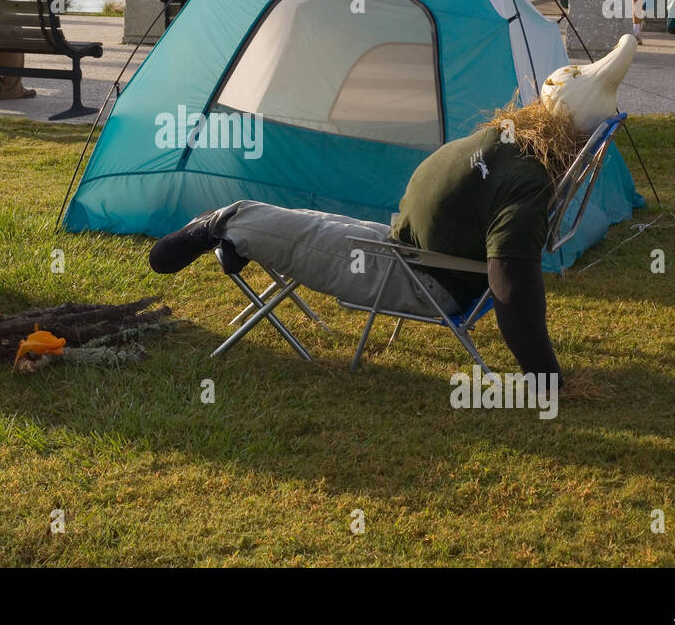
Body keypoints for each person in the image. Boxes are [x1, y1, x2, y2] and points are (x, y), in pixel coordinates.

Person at [148, 35, 640, 387]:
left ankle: (223, 225)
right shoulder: (521, 150)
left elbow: (514, 287)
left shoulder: (525, 177)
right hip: (404, 250)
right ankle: (237, 233)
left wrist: (545, 377)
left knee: (306, 235)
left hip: (420, 280)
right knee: (316, 225)